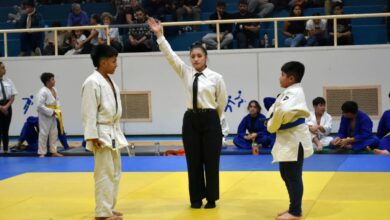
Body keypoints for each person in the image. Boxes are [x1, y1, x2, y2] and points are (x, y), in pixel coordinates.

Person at [148, 17, 228, 209]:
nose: (195, 59)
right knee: (193, 161)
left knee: (210, 161)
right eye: (192, 56)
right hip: (190, 120)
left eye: (199, 56)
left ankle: (211, 198)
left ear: (205, 57)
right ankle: (196, 197)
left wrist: (212, 118)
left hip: (210, 119)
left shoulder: (216, 78)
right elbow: (170, 55)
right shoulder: (185, 72)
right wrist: (159, 35)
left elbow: (222, 101)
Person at [81, 44, 128, 220]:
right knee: (103, 173)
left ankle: (108, 207)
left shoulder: (109, 81)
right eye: (114, 61)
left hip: (112, 131)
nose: (116, 65)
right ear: (103, 62)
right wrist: (92, 135)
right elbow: (88, 111)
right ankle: (102, 213)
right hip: (101, 133)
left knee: (115, 172)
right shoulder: (92, 82)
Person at [266, 61, 313, 220]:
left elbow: (282, 110)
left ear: (291, 78)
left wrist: (271, 124)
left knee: (293, 176)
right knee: (286, 174)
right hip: (287, 138)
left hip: (295, 139)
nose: (280, 78)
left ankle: (295, 212)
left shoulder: (295, 93)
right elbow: (275, 110)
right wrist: (271, 121)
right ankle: (293, 206)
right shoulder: (288, 92)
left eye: (282, 75)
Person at [36, 72, 64, 157]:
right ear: (47, 81)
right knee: (44, 133)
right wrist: (51, 111)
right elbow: (39, 106)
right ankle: (42, 152)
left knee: (54, 132)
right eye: (52, 79)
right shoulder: (42, 91)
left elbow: (57, 100)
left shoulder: (54, 89)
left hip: (53, 113)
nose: (54, 81)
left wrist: (57, 109)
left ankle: (53, 151)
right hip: (45, 115)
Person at [0, 62, 17, 154]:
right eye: (2, 68)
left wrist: (6, 107)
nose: (5, 69)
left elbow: (13, 96)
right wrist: (1, 107)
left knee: (5, 129)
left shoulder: (8, 81)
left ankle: (6, 149)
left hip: (7, 106)